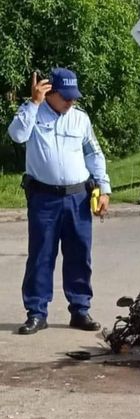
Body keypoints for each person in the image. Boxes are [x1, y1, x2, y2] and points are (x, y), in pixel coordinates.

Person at [7, 68, 111, 335]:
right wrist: (33, 102)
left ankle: (80, 310)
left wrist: (105, 189)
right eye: (65, 97)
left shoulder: (80, 119)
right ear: (48, 91)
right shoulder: (33, 113)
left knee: (79, 254)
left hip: (78, 197)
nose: (70, 102)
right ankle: (37, 313)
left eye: (74, 97)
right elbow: (16, 135)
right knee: (41, 256)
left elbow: (94, 153)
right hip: (44, 198)